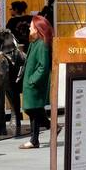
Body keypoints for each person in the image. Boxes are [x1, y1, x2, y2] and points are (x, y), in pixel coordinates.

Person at [19, 16, 54, 149]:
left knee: (31, 109)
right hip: (31, 82)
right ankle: (40, 136)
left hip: (35, 83)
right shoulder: (36, 42)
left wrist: (33, 80)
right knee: (34, 109)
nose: (29, 27)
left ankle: (35, 140)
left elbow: (43, 66)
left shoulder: (42, 44)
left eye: (31, 26)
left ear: (38, 28)